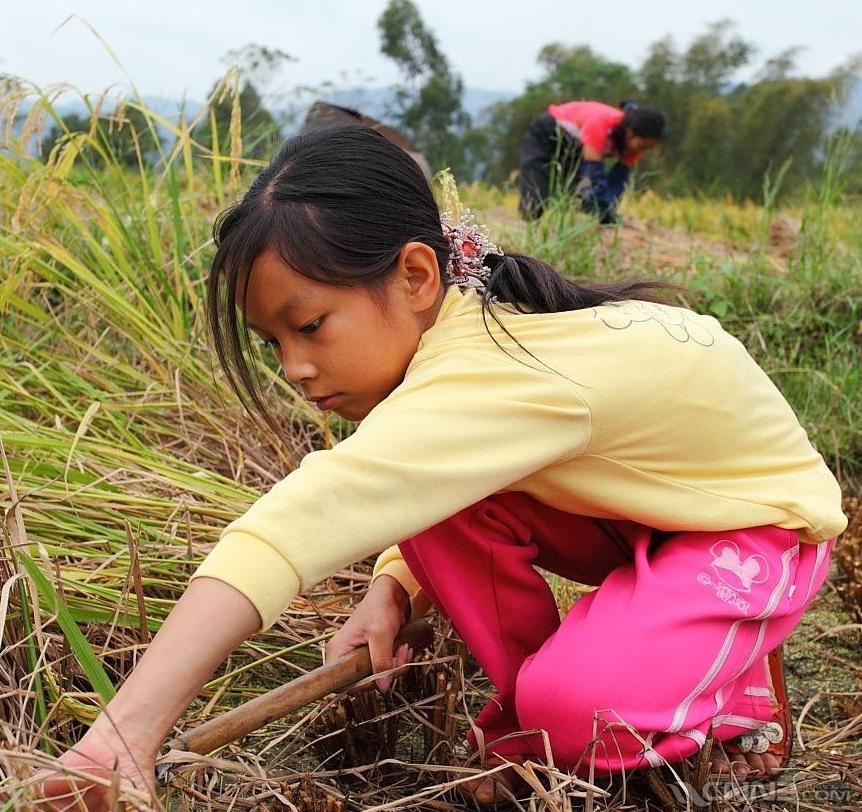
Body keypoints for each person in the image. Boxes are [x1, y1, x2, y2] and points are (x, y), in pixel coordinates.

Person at [45, 125, 842, 809]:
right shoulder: (459, 346)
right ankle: (538, 720)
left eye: (311, 326)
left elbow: (300, 518)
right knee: (434, 514)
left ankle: (727, 696)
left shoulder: (494, 367)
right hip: (643, 510)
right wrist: (391, 583)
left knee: (586, 713)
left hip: (753, 524)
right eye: (274, 344)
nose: (295, 367)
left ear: (417, 275)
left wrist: (128, 729)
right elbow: (418, 481)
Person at [518, 100, 665, 224]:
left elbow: (618, 181)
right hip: (548, 132)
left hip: (577, 146)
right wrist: (599, 208)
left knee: (574, 195)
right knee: (536, 189)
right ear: (630, 132)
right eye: (642, 146)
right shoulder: (600, 123)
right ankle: (528, 224)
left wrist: (606, 211)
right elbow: (593, 174)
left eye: (648, 148)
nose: (641, 151)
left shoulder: (633, 147)